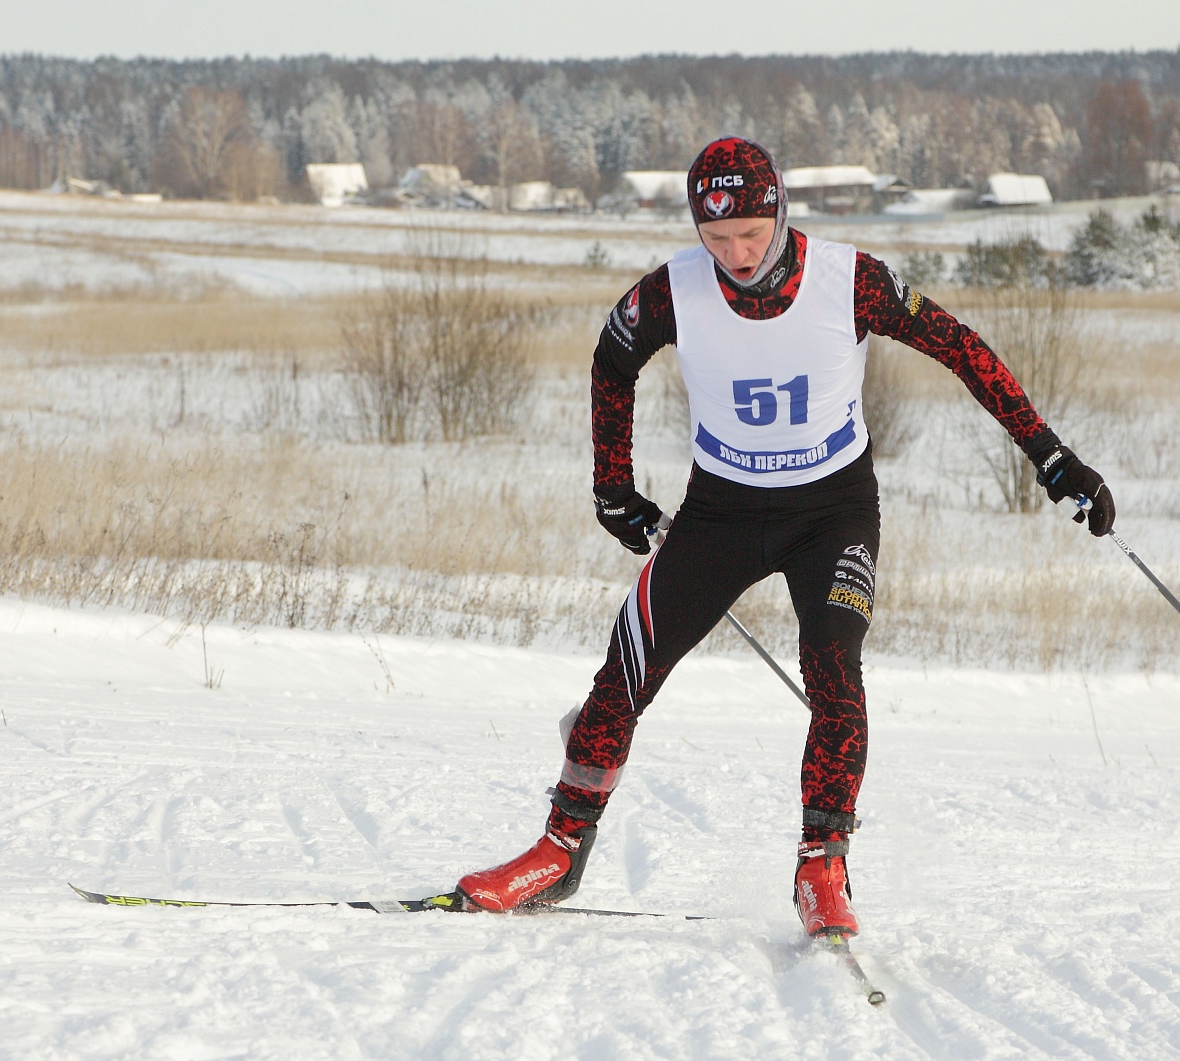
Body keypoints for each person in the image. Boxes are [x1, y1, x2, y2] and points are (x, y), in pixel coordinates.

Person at [451, 137, 1113, 937]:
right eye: (716, 238)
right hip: (720, 514)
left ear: (782, 214)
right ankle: (559, 849)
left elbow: (962, 349)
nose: (733, 255)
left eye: (751, 237)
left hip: (831, 512)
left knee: (833, 662)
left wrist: (1050, 454)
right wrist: (612, 485)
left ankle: (822, 863)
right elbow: (611, 359)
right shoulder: (673, 291)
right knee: (626, 665)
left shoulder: (851, 279)